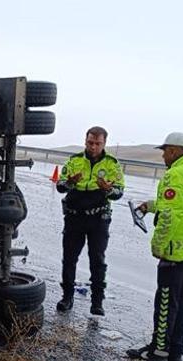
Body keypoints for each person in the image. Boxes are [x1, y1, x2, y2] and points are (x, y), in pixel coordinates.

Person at [126, 132, 183, 361]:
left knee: (165, 302)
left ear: (175, 151)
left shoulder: (175, 174)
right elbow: (181, 204)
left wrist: (158, 246)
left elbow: (170, 214)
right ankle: (176, 350)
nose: (163, 155)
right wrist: (149, 206)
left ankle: (159, 351)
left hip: (176, 250)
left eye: (165, 150)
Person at [55, 126, 124, 316]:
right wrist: (69, 182)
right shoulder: (75, 160)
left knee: (97, 260)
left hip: (98, 218)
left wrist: (108, 189)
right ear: (85, 141)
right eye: (90, 143)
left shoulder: (112, 164)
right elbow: (60, 186)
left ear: (104, 144)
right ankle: (67, 297)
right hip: (74, 217)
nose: (93, 147)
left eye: (97, 144)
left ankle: (97, 302)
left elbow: (119, 192)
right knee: (69, 259)